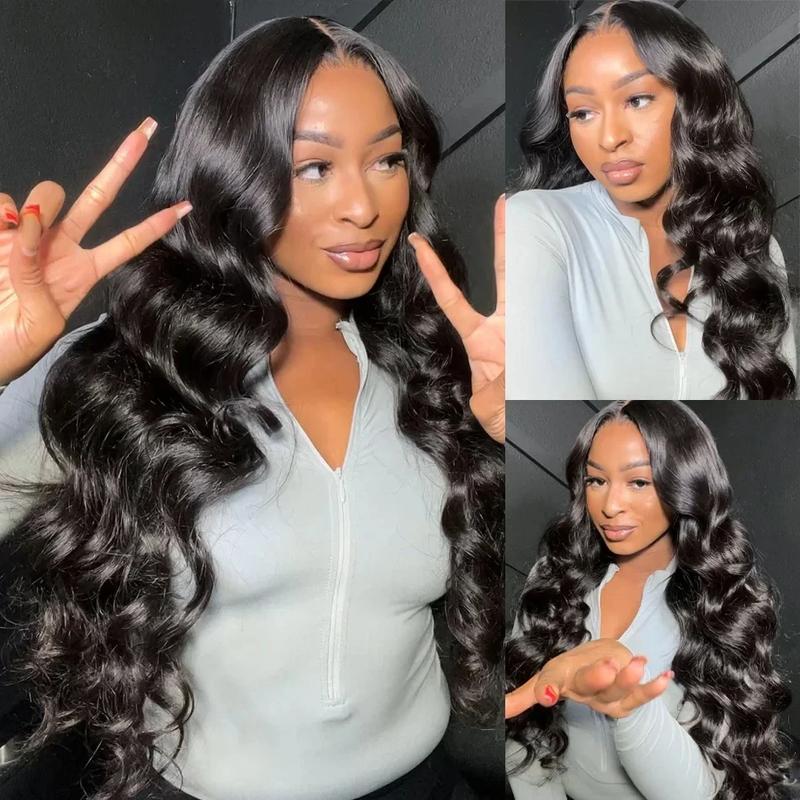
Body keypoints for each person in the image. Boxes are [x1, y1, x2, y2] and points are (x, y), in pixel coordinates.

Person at [0, 16, 504, 800]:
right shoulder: (129, 368)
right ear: (234, 175)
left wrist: (511, 430)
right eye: (315, 167)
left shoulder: (437, 367)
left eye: (387, 159)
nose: (364, 205)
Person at [506, 0, 796, 400]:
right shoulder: (536, 225)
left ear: (695, 102)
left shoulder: (753, 247)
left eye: (637, 100)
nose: (610, 138)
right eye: (583, 113)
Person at [504, 401, 793, 800]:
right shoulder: (555, 578)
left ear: (685, 484)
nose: (610, 506)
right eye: (596, 480)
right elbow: (525, 733)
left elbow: (697, 792)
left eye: (638, 482)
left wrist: (632, 706)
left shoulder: (721, 607)